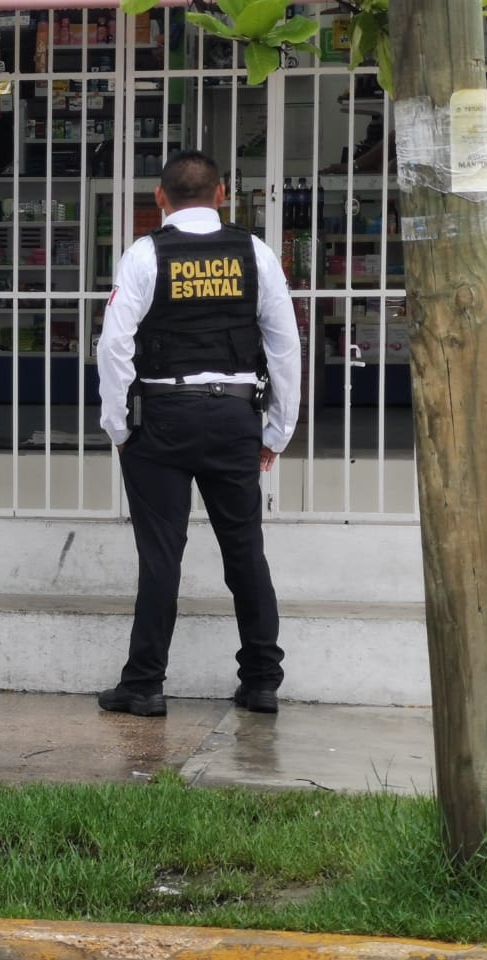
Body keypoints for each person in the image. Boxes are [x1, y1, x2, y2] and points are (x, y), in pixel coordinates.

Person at [96, 150, 301, 718]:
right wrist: (277, 431)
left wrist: (118, 426)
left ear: (160, 199)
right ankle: (261, 681)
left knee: (160, 557)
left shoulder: (144, 255)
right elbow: (285, 347)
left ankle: (145, 686)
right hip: (235, 417)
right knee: (245, 552)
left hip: (161, 418)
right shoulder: (255, 255)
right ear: (222, 194)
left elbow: (113, 345)